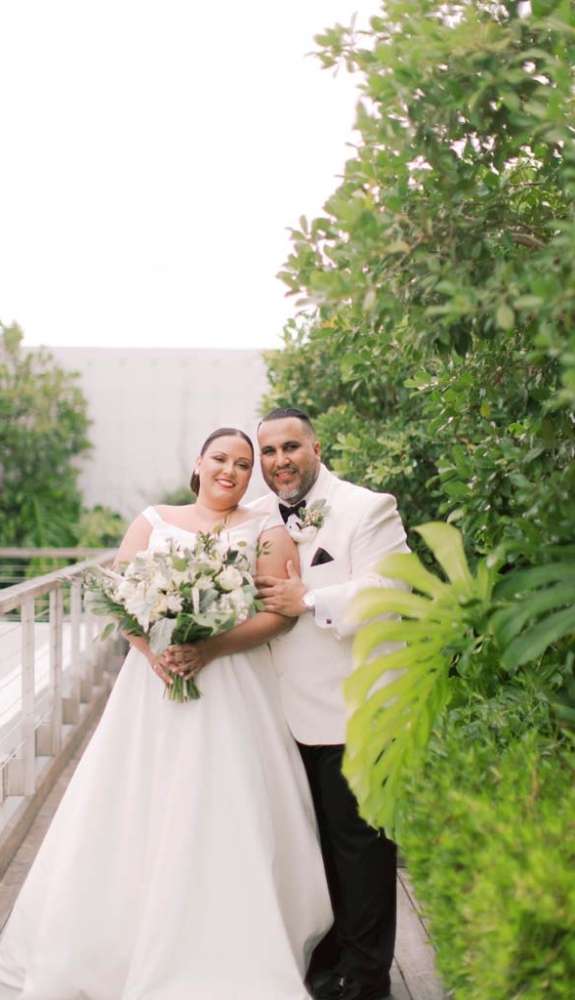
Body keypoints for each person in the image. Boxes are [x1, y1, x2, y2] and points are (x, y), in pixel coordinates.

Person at [0, 426, 332, 1000]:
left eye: (245, 464)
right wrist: (155, 656)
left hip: (235, 687)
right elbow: (120, 599)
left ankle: (230, 949)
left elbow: (282, 614)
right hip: (153, 689)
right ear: (198, 463)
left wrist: (209, 648)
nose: (232, 470)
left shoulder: (266, 529)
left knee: (230, 808)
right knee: (138, 806)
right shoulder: (154, 520)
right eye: (221, 458)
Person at [251, 408, 410, 1000]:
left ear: (316, 447)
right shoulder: (257, 518)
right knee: (309, 847)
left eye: (291, 447)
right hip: (278, 716)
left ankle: (368, 979)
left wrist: (308, 594)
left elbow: (390, 591)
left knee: (362, 852)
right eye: (268, 452)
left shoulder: (368, 508)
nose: (279, 461)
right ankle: (327, 960)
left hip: (354, 712)